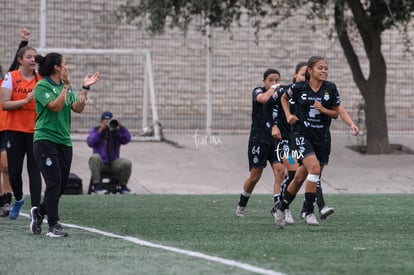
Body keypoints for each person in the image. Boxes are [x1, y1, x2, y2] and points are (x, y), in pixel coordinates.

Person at [31, 51, 99, 237]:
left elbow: (78, 107)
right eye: (65, 64)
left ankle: (39, 213)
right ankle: (53, 225)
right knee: (53, 182)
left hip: (64, 142)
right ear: (56, 67)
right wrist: (67, 86)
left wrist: (85, 88)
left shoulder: (64, 86)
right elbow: (55, 106)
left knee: (60, 186)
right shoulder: (42, 86)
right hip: (45, 140)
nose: (67, 67)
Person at [275, 56, 340, 227]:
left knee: (300, 176)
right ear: (306, 72)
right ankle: (309, 210)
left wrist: (325, 110)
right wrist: (286, 117)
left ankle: (281, 206)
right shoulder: (296, 89)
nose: (324, 71)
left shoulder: (328, 89)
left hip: (318, 138)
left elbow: (336, 112)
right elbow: (279, 101)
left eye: (326, 68)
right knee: (309, 169)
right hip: (293, 140)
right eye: (320, 68)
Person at [235, 69, 285, 218]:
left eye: (277, 80)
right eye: (271, 80)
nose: (274, 83)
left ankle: (278, 207)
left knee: (281, 172)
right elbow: (262, 99)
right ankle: (241, 205)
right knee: (255, 177)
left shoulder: (282, 95)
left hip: (277, 141)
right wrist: (274, 90)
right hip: (259, 141)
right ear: (264, 81)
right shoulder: (258, 91)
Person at [1, 43, 42, 220]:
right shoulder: (12, 77)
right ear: (20, 60)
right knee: (14, 171)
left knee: (35, 171)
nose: (33, 60)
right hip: (14, 131)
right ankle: (18, 199)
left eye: (34, 57)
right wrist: (25, 101)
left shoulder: (41, 79)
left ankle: (35, 209)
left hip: (36, 132)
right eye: (29, 57)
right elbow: (5, 104)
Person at [0, 28, 31, 217]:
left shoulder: (5, 82)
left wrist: (23, 43)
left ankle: (6, 200)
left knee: (5, 166)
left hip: (5, 130)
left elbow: (14, 66)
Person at [86, 111, 134, 195]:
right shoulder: (96, 130)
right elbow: (90, 142)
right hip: (101, 163)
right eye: (105, 121)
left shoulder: (116, 131)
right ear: (101, 121)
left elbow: (127, 139)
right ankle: (97, 186)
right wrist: (101, 129)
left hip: (113, 162)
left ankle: (123, 187)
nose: (108, 123)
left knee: (127, 163)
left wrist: (121, 126)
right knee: (94, 157)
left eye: (109, 120)